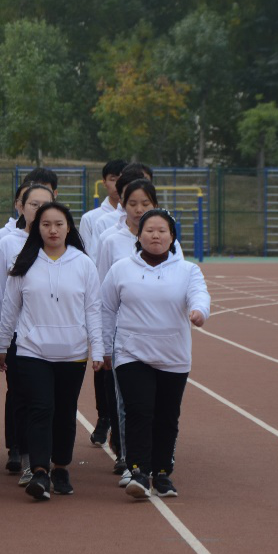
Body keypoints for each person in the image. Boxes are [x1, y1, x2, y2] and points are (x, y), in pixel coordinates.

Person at [0, 201, 103, 501]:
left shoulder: (84, 264)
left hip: (73, 352)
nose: (52, 230)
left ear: (68, 228)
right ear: (36, 229)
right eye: (46, 224)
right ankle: (40, 471)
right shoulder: (24, 262)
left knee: (65, 412)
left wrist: (98, 349)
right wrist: (2, 345)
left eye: (58, 224)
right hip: (33, 351)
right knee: (40, 409)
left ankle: (61, 467)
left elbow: (93, 310)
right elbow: (10, 308)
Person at [101, 208, 209, 500]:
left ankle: (162, 473)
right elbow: (107, 308)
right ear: (139, 235)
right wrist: (105, 347)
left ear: (172, 237)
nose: (156, 236)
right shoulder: (121, 269)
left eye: (162, 231)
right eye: (149, 230)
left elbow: (200, 294)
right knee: (138, 411)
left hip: (173, 355)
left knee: (166, 416)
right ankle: (138, 471)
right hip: (131, 353)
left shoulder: (188, 270)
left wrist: (199, 311)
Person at [95, 176, 164, 477]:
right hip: (124, 334)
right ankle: (127, 456)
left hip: (160, 334)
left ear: (155, 205)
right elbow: (102, 291)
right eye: (132, 203)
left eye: (145, 203)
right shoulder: (111, 241)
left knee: (158, 401)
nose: (138, 209)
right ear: (122, 204)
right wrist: (103, 339)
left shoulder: (168, 240)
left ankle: (157, 456)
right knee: (126, 401)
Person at [0, 182, 54, 482]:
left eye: (45, 204)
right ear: (21, 207)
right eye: (33, 204)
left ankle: (50, 457)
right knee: (22, 396)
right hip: (18, 334)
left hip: (56, 335)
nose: (39, 210)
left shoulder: (65, 243)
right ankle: (26, 456)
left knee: (51, 400)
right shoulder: (7, 244)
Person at [78, 159, 127, 446]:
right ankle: (104, 415)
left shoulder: (148, 220)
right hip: (102, 296)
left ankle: (121, 427)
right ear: (104, 182)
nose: (117, 184)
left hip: (130, 302)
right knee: (103, 360)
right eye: (112, 178)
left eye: (122, 178)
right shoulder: (93, 219)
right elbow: (89, 258)